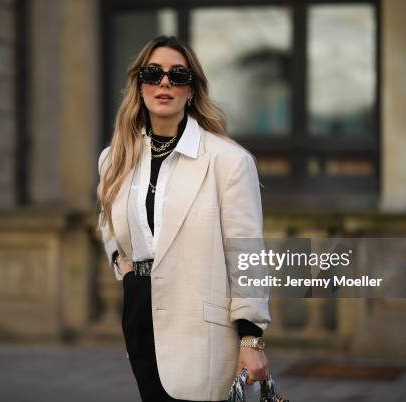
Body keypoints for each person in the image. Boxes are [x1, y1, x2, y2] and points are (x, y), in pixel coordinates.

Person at [96, 35, 271, 402]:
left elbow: (247, 255)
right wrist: (123, 267)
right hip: (141, 315)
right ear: (139, 85)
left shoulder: (228, 161)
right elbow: (106, 218)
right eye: (153, 73)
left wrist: (251, 339)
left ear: (191, 90)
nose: (164, 82)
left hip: (201, 330)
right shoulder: (115, 158)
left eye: (178, 75)